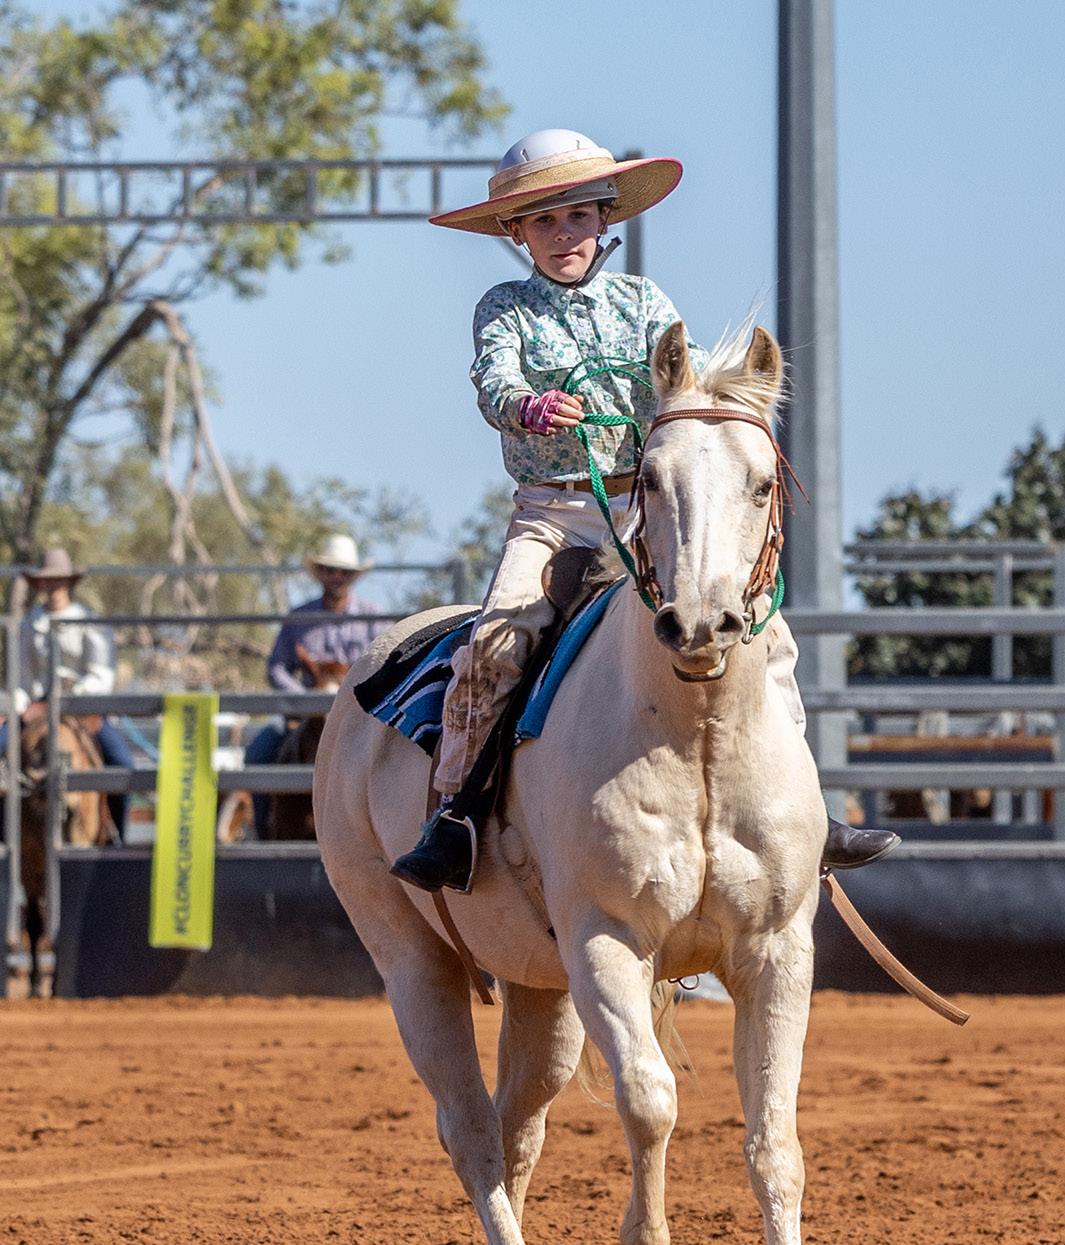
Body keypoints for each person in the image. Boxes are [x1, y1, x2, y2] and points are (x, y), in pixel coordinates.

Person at [390, 129, 897, 893]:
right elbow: (493, 381)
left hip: (649, 505)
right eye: (544, 221)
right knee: (495, 644)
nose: (564, 234)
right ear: (516, 233)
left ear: (605, 219)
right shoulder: (504, 309)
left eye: (578, 216)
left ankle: (807, 813)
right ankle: (455, 814)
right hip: (552, 514)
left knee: (766, 632)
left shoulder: (644, 302)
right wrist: (525, 406)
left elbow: (685, 387)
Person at [246, 533, 380, 838]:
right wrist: (304, 701)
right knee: (257, 754)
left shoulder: (373, 619)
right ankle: (264, 835)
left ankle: (391, 838)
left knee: (394, 760)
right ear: (320, 573)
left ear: (353, 577)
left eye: (344, 571)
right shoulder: (299, 617)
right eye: (330, 570)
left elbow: (384, 665)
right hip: (305, 717)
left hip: (358, 716)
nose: (337, 576)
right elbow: (277, 668)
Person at [1, 547, 133, 837]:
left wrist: (69, 701)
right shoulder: (29, 624)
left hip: (81, 706)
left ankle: (117, 836)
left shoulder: (90, 621)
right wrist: (23, 706)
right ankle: (6, 837)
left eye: (58, 579)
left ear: (70, 582)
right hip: (36, 706)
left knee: (122, 764)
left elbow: (101, 675)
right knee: (2, 749)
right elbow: (21, 676)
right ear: (39, 584)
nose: (53, 586)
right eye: (47, 580)